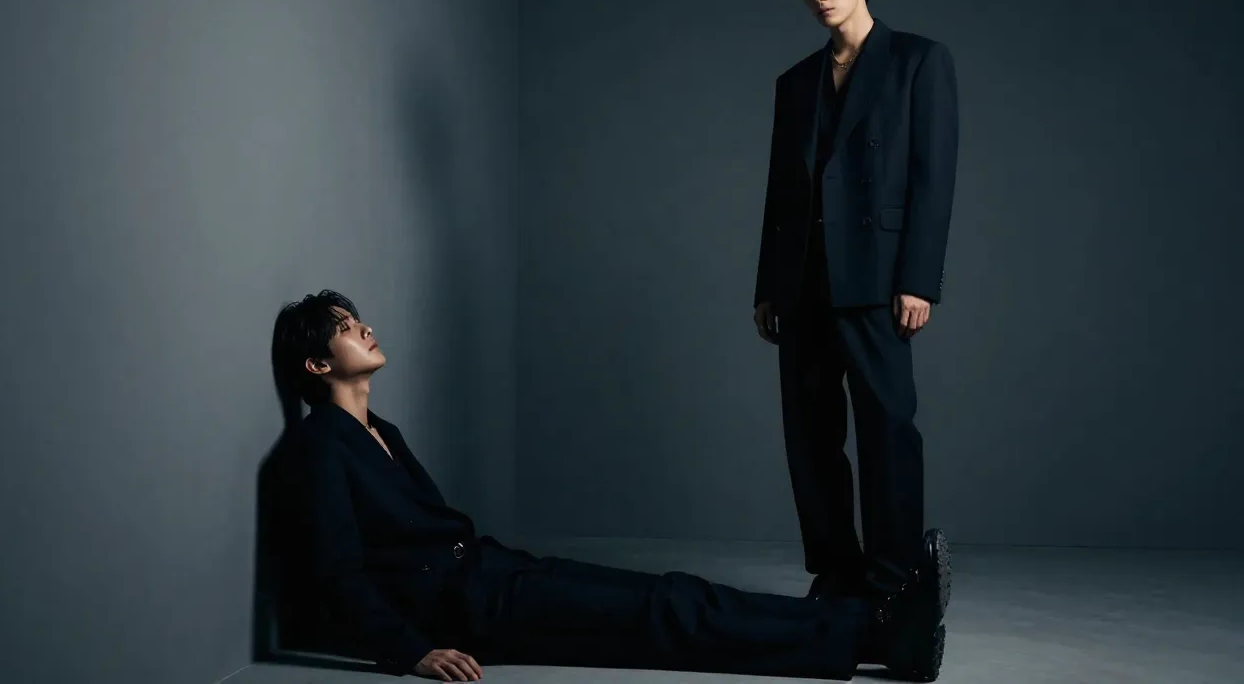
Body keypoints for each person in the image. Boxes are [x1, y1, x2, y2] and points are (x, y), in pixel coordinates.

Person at [266, 290, 952, 682]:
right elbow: (338, 573)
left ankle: (873, 630)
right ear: (317, 364)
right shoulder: (319, 447)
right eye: (345, 329)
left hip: (494, 572)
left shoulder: (380, 429)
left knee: (676, 594)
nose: (364, 328)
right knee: (664, 618)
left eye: (356, 319)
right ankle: (876, 636)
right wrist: (412, 652)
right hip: (468, 609)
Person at [752, 0, 959, 604]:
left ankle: (894, 581)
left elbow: (933, 178)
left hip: (877, 280)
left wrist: (918, 280)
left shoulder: (918, 62)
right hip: (802, 283)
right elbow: (782, 192)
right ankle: (836, 575)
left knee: (887, 431)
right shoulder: (794, 82)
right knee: (810, 437)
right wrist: (768, 286)